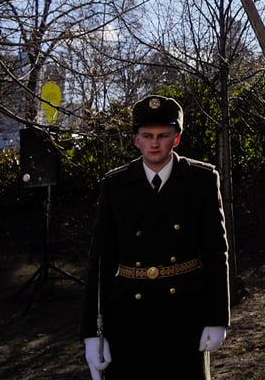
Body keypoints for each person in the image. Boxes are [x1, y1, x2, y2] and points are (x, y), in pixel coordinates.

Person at [82, 95, 230, 380]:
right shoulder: (115, 185)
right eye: (146, 136)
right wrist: (91, 333)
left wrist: (217, 318)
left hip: (184, 311)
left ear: (176, 139)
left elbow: (215, 252)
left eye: (163, 136)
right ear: (136, 140)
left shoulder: (200, 180)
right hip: (128, 315)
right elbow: (100, 260)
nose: (154, 143)